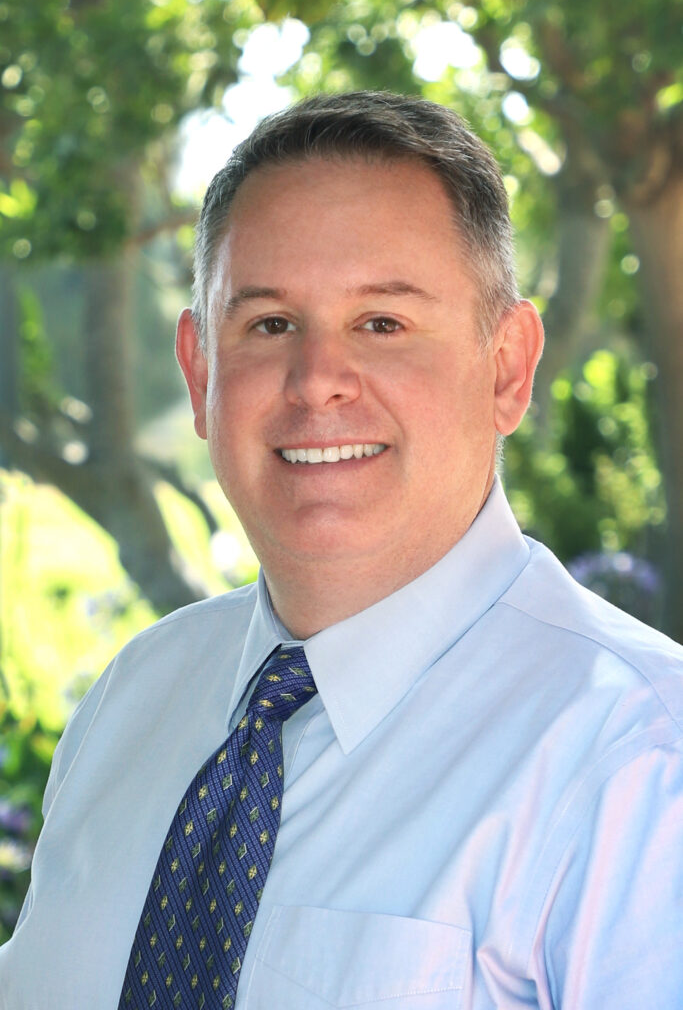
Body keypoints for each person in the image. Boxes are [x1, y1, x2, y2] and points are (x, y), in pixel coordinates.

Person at [1, 91, 681, 1010]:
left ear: (507, 367)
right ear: (201, 373)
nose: (317, 379)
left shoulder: (640, 760)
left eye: (382, 323)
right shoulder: (136, 698)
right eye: (270, 323)